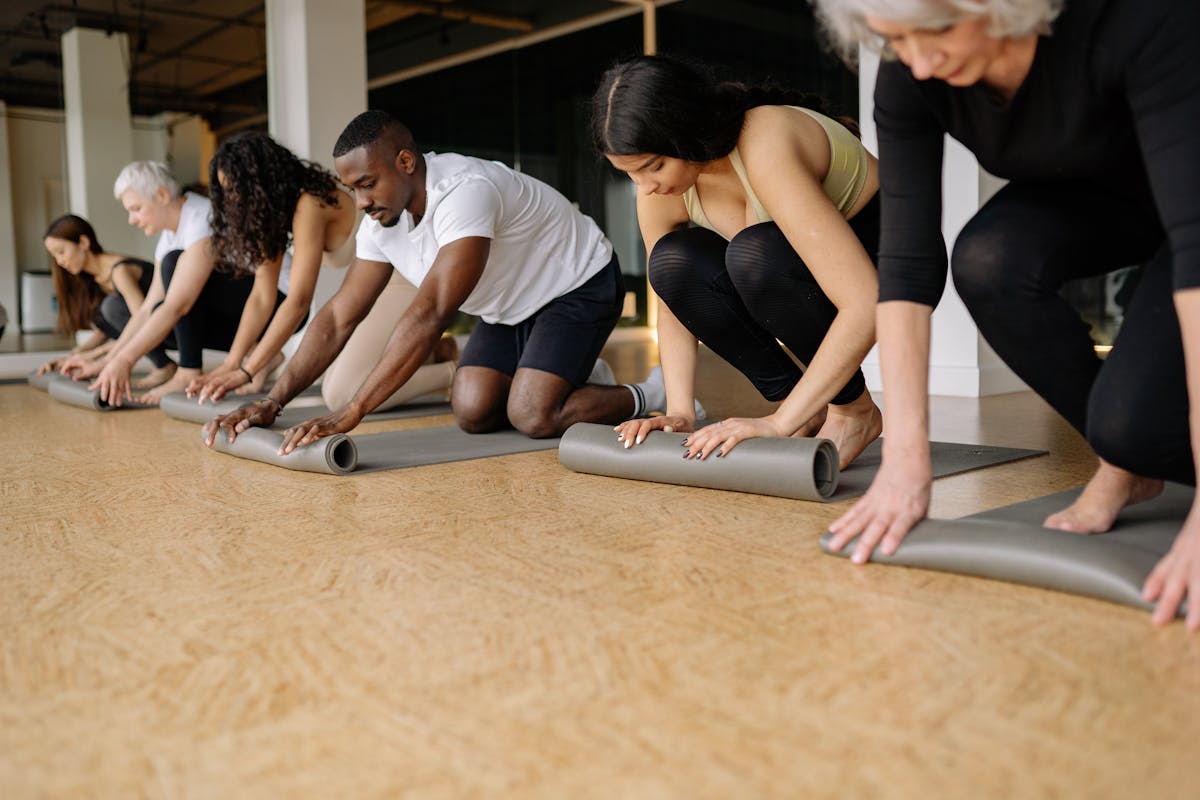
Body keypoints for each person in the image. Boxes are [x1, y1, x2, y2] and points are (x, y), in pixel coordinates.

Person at [814, 0, 1200, 627]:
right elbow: (907, 265)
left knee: (1137, 424)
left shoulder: (1137, 20)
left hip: (1192, 206)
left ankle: (1130, 452)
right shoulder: (912, 68)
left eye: (937, 30)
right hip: (1113, 201)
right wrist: (909, 465)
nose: (919, 58)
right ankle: (1125, 465)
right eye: (895, 39)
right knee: (989, 261)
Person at [205, 110, 650, 452]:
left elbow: (430, 313)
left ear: (405, 161)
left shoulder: (464, 191)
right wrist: (273, 401)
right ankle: (569, 372)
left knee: (533, 414)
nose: (359, 202)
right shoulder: (382, 220)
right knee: (472, 410)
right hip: (509, 306)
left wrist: (351, 411)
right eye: (352, 189)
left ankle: (647, 393)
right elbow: (340, 315)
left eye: (367, 184)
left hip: (577, 283)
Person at [593, 55, 883, 469]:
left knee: (755, 254)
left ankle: (853, 413)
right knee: (672, 261)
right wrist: (679, 411)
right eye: (630, 174)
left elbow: (865, 301)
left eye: (653, 167)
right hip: (800, 271)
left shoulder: (764, 139)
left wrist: (779, 425)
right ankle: (805, 406)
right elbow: (674, 296)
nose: (646, 187)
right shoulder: (660, 189)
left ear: (687, 132)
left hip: (886, 260)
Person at [184, 131, 457, 408]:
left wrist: (246, 372)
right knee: (327, 375)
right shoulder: (274, 217)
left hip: (406, 276)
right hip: (373, 283)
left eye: (236, 189)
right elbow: (261, 297)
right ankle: (436, 352)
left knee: (341, 393)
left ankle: (453, 373)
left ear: (261, 182)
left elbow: (299, 301)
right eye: (226, 191)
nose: (233, 200)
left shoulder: (311, 203)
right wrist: (231, 364)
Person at [61, 161, 286, 405]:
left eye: (136, 208)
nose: (131, 220)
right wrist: (108, 363)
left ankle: (188, 370)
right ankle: (262, 354)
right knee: (158, 311)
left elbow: (178, 305)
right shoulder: (169, 236)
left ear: (161, 195)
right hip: (248, 305)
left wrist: (126, 360)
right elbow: (147, 309)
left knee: (173, 266)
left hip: (278, 301)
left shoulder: (202, 217)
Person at [36, 214, 175, 386]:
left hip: (172, 326)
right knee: (104, 309)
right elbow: (105, 330)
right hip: (152, 329)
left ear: (83, 243)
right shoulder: (92, 279)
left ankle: (164, 366)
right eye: (54, 256)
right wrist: (73, 356)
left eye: (61, 252)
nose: (60, 261)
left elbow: (142, 322)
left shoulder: (120, 271)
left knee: (111, 307)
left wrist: (96, 357)